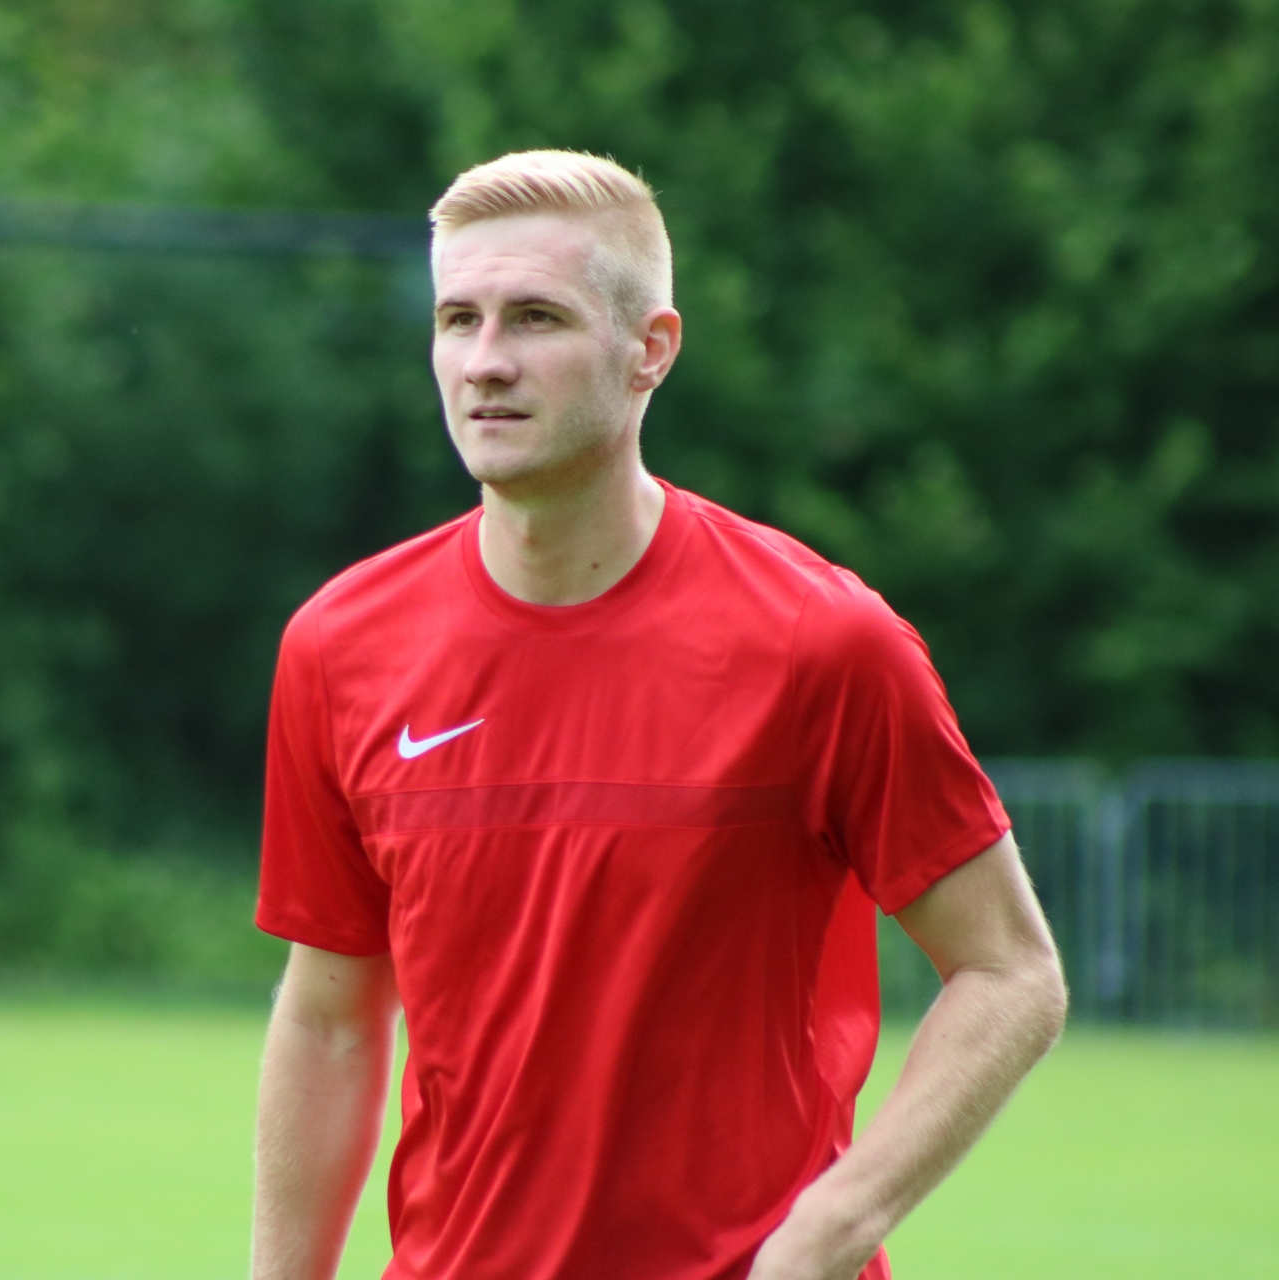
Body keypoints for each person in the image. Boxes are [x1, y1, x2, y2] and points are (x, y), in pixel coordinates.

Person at [248, 150, 1069, 1280]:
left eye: (537, 318)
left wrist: (829, 1230)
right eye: (458, 319)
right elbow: (331, 1019)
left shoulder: (821, 642)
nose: (486, 361)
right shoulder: (340, 646)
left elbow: (1011, 971)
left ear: (652, 349)